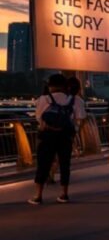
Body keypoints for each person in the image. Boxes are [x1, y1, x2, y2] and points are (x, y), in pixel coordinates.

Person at [29, 74, 82, 205]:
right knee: (65, 164)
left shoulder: (44, 99)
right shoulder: (74, 99)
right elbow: (79, 118)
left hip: (47, 135)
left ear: (50, 85)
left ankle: (38, 195)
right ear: (64, 86)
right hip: (65, 136)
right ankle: (64, 194)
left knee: (43, 164)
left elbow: (39, 117)